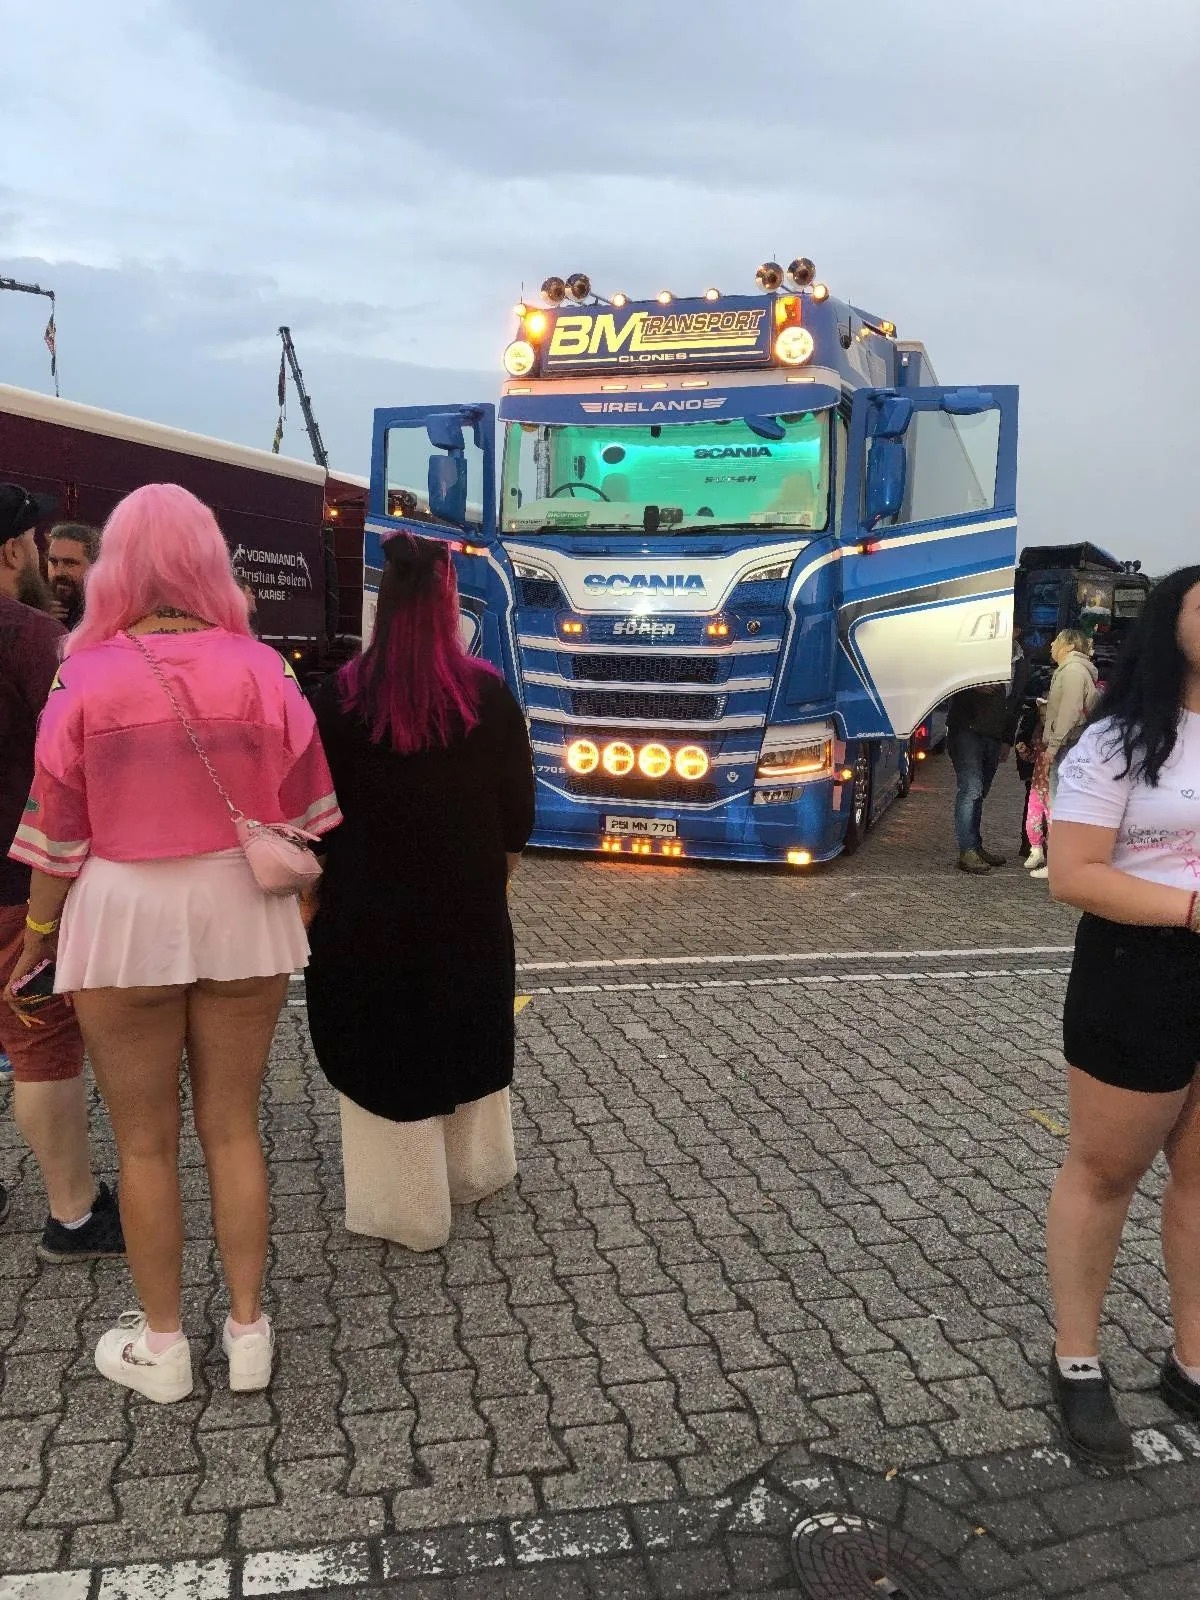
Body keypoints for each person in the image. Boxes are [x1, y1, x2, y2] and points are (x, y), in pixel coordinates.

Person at [4, 483, 341, 1405]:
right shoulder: (264, 667)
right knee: (233, 1127)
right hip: (242, 908)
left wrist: (38, 936)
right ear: (207, 561)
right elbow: (311, 811)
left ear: (117, 565)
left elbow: (57, 831)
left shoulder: (84, 673)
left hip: (123, 915)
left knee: (144, 1143)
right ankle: (248, 1329)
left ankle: (163, 1344)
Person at [304, 532, 534, 1252]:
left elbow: (311, 816)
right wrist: (492, 872)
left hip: (362, 916)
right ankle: (474, 1172)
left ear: (383, 603)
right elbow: (518, 818)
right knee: (466, 1030)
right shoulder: (488, 695)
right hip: (466, 910)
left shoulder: (334, 700)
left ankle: (407, 1209)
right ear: (447, 602)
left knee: (383, 1050)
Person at [1045, 565, 1200, 1466]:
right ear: (1170, 621)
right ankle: (1077, 1358)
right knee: (1106, 1171)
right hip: (1137, 970)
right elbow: (1073, 875)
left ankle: (1191, 1359)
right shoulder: (1117, 740)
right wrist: (1191, 909)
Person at [0, 484, 124, 1260]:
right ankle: (74, 1216)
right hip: (17, 885)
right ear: (13, 550)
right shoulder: (32, 639)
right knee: (41, 1047)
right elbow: (76, 763)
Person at [946, 629, 1030, 874]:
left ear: (1017, 630)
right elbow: (949, 678)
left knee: (981, 790)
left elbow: (1016, 702)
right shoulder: (977, 650)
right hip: (967, 729)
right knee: (971, 788)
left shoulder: (1022, 660)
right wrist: (972, 685)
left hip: (994, 733)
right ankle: (967, 850)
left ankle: (975, 845)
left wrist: (1007, 740)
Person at [1028, 630, 1100, 880]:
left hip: (1068, 744)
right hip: (1071, 742)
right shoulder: (1077, 670)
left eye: (1057, 641)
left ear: (1069, 646)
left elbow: (1070, 711)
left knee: (1059, 804)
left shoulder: (1072, 671)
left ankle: (1058, 863)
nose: (1051, 645)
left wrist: (1053, 746)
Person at [46, 522, 101, 630]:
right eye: (53, 562)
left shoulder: (110, 617)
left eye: (70, 563)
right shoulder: (34, 612)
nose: (59, 572)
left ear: (94, 565)